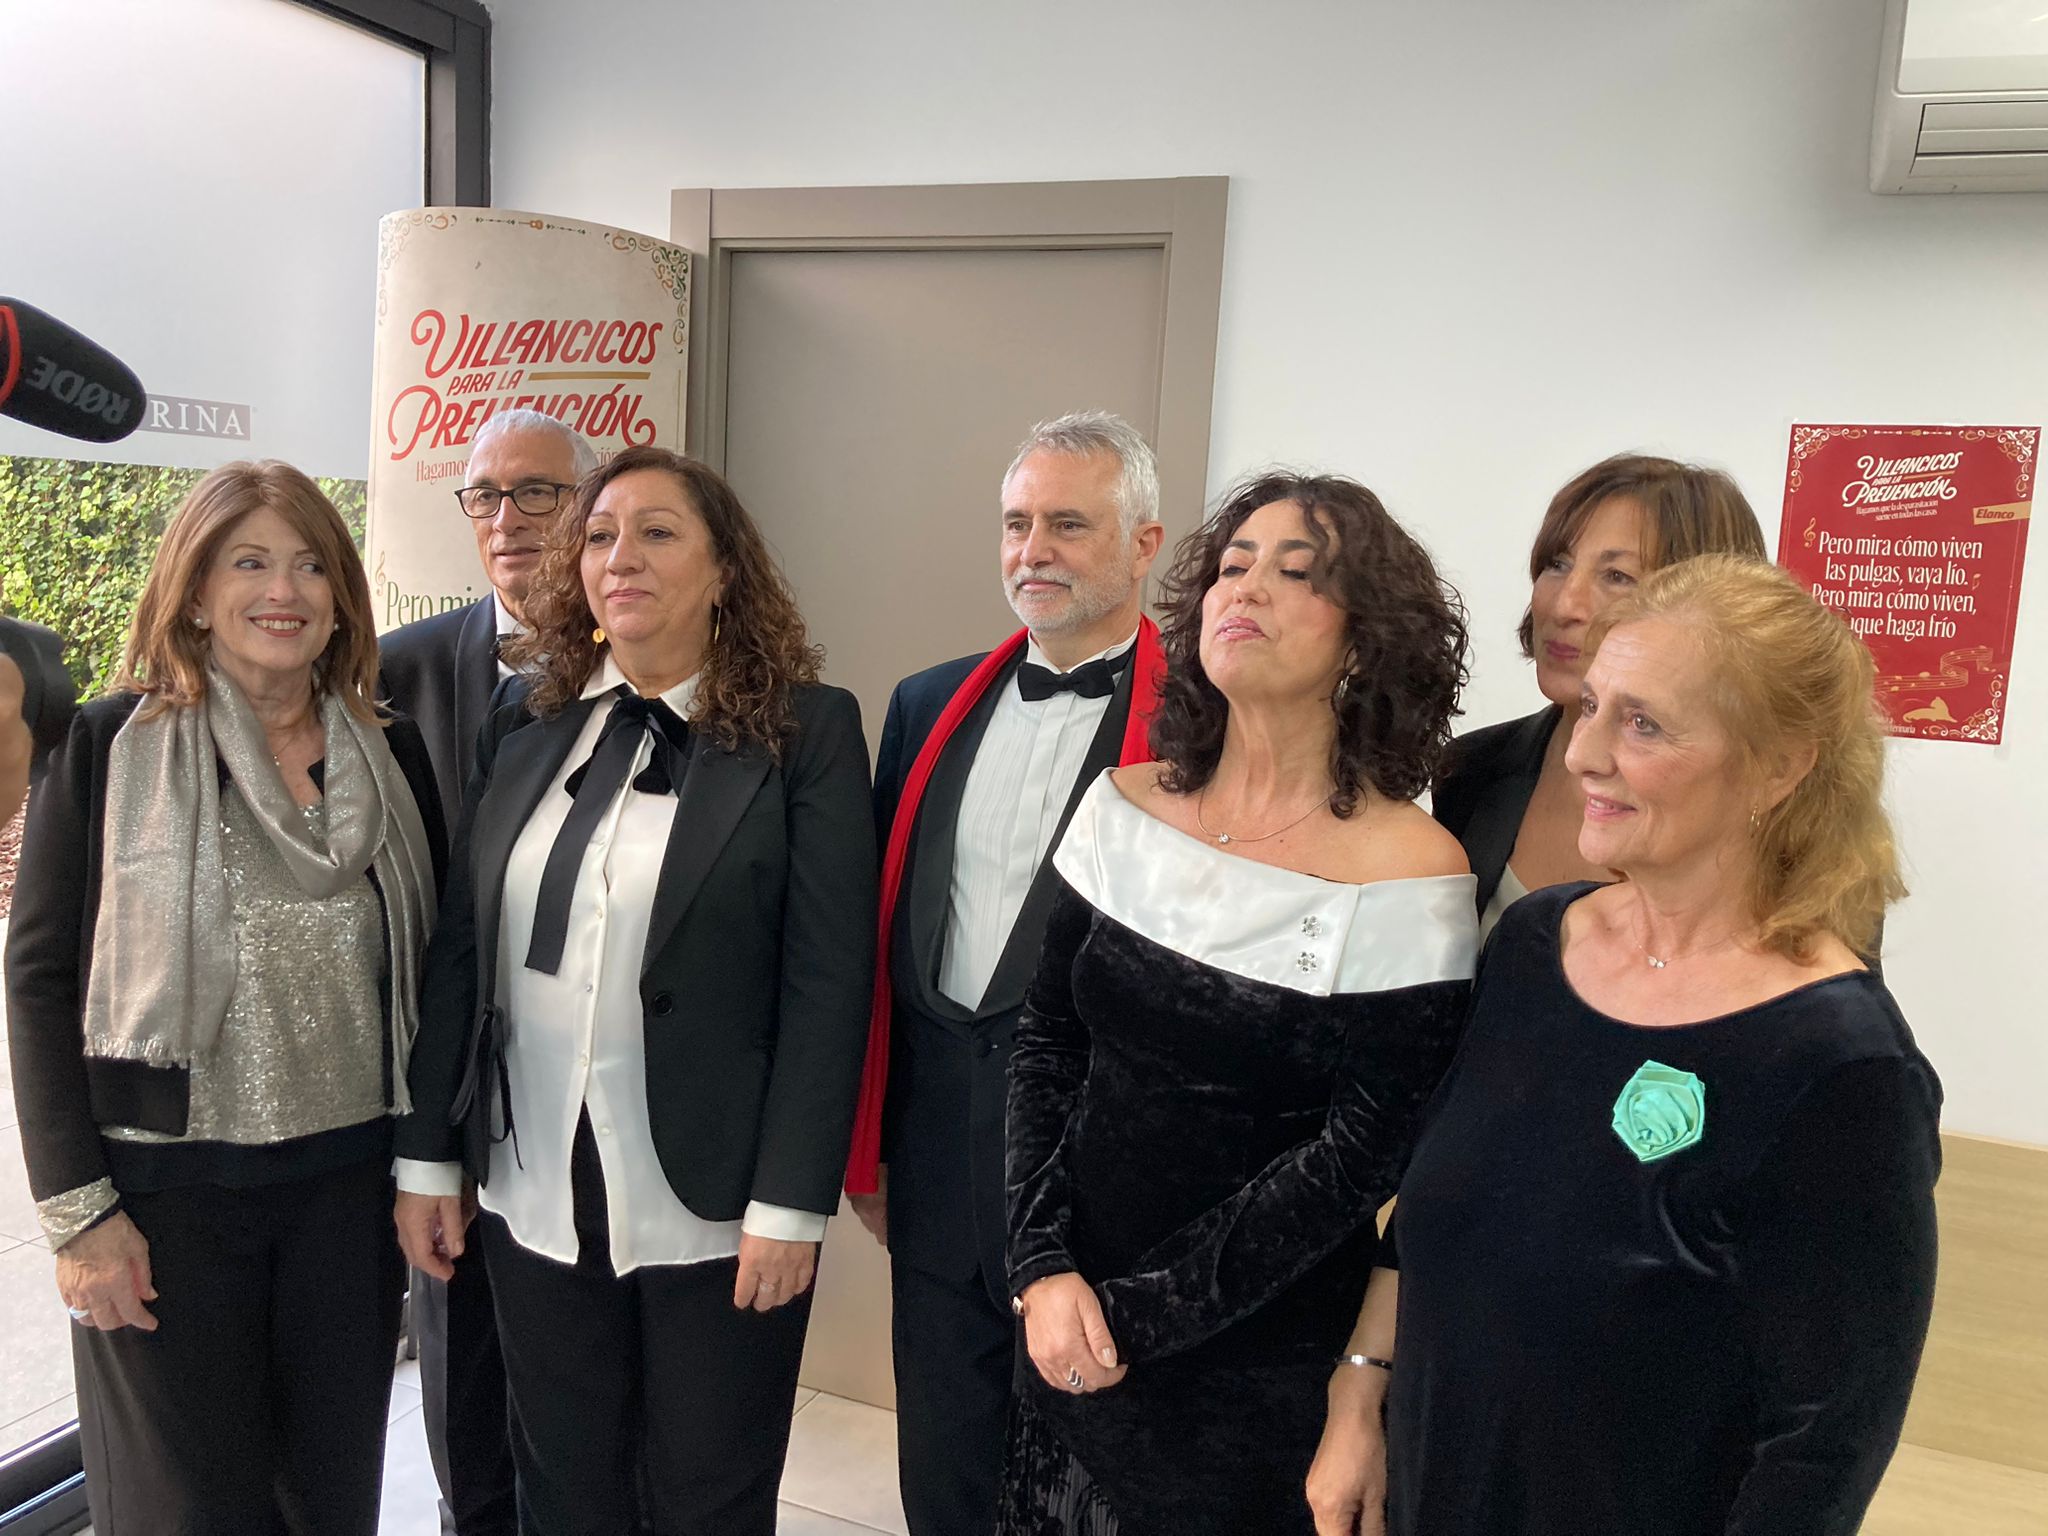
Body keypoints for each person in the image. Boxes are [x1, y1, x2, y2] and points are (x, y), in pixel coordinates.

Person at [1309, 555, 1940, 1536]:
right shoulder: (1533, 944)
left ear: (1779, 766)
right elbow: (1435, 1212)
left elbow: (1821, 1447)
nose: (1582, 754)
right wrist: (1359, 1393)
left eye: (1641, 724)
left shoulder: (1838, 1063)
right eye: (1593, 707)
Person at [392, 446, 876, 1536]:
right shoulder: (524, 721)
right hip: (531, 1176)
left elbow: (829, 981)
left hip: (715, 1191)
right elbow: (463, 949)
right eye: (602, 536)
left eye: (658, 533)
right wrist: (427, 1154)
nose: (622, 558)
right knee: (563, 1485)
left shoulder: (806, 731)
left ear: (724, 571)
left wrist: (792, 1202)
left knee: (708, 1491)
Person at [1002, 472, 1479, 1535]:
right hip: (1061, 1328)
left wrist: (1132, 1318)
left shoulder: (1413, 871)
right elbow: (1046, 1041)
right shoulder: (1122, 804)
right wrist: (1041, 1266)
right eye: (1232, 565)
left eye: (1297, 573)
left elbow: (1358, 1159)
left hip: (1250, 1375)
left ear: (1364, 641)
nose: (1247, 588)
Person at [5, 461, 445, 1534]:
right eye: (249, 562)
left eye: (309, 565)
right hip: (163, 1204)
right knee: (188, 1511)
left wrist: (428, 1163)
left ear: (340, 598)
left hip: (346, 1196)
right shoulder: (109, 746)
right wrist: (80, 1215)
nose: (282, 590)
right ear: (196, 591)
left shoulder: (390, 752)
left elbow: (437, 971)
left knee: (327, 1503)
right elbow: (40, 978)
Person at [846, 411, 1168, 1536]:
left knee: (1083, 1489)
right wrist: (871, 1145)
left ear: (1144, 543)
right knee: (943, 1469)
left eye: (1068, 525)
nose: (1033, 549)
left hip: (1102, 1184)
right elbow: (883, 944)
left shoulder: (1205, 725)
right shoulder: (924, 703)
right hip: (934, 1164)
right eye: (1016, 523)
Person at [379, 406, 596, 1536]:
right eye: (484, 495)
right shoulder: (389, 671)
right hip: (445, 1087)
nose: (506, 519)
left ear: (589, 507)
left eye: (537, 493)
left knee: (590, 1409)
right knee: (464, 1399)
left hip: (597, 1096)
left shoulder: (649, 665)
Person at [1431, 454, 1766, 938]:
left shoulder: (1785, 818)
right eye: (1557, 564)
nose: (1565, 604)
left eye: (1617, 576)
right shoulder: (1471, 770)